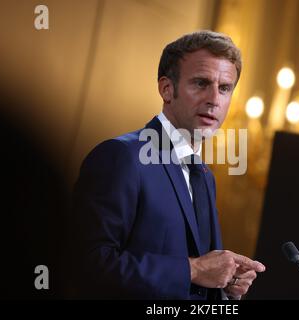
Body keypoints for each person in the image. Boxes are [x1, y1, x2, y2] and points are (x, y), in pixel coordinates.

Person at [72, 30, 265, 300]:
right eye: (200, 83)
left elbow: (195, 278)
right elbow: (87, 264)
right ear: (166, 89)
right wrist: (193, 270)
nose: (214, 99)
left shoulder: (205, 177)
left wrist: (224, 286)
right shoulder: (121, 156)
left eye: (224, 88)